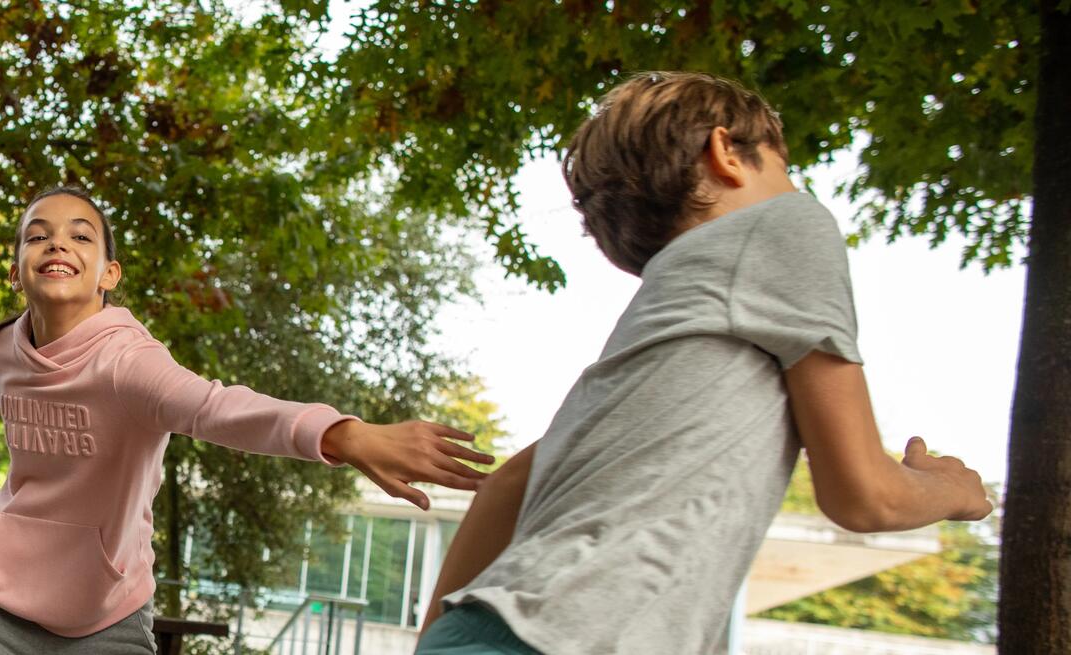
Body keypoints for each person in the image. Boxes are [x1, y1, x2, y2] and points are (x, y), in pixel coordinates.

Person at [414, 72, 994, 654]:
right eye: (782, 170)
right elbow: (867, 496)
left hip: (481, 634)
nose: (792, 189)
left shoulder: (667, 330)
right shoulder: (786, 224)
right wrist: (951, 489)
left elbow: (506, 486)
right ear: (725, 153)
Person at [0, 186, 497, 654]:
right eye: (39, 234)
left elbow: (217, 408)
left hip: (103, 620)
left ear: (109, 274)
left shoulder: (128, 364)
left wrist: (342, 434)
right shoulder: (7, 347)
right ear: (16, 272)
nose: (59, 242)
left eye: (82, 235)